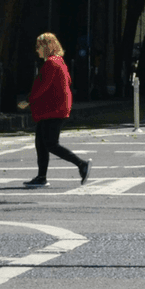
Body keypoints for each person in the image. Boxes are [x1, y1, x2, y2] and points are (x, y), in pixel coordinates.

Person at [17, 32, 91, 187]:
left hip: (53, 109)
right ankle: (41, 177)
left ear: (47, 46)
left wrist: (28, 100)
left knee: (50, 143)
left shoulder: (51, 63)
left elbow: (43, 86)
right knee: (41, 143)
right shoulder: (59, 62)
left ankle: (81, 164)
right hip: (53, 109)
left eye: (39, 46)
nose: (37, 50)